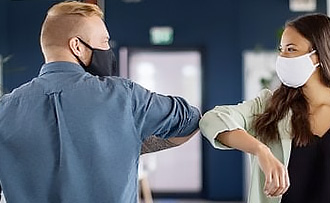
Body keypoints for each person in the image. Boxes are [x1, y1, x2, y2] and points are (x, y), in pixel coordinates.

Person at [0, 1, 200, 203]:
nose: (107, 49)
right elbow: (189, 120)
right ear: (76, 46)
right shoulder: (124, 96)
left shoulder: (4, 109)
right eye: (104, 42)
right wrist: (133, 143)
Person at [200, 13, 330, 203]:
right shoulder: (269, 107)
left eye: (291, 49)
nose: (282, 57)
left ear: (318, 55)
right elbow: (212, 119)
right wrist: (261, 150)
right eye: (281, 49)